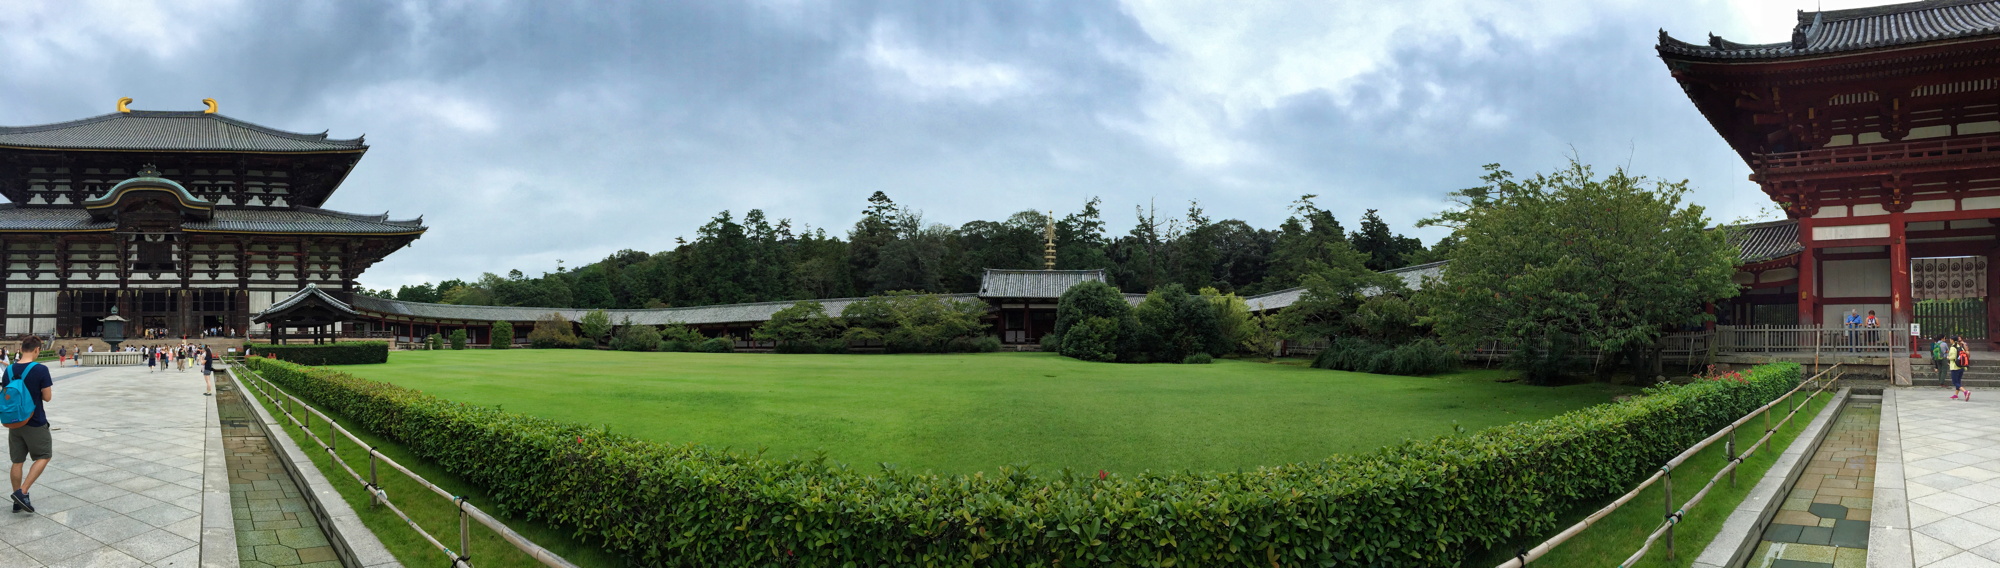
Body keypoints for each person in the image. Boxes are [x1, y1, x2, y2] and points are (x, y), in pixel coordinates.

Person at [6, 336, 53, 513]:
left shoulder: (9, 369)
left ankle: (16, 499)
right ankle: (22, 492)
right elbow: (47, 397)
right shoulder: (40, 369)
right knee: (44, 455)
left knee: (17, 461)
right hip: (34, 421)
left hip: (14, 421)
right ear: (36, 350)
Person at [1952, 335, 1972, 401]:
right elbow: (1968, 354)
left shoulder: (1955, 347)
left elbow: (1952, 357)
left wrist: (1948, 358)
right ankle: (1956, 394)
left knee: (1955, 382)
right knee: (1958, 381)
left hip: (1955, 366)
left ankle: (1965, 391)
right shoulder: (1962, 347)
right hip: (1962, 365)